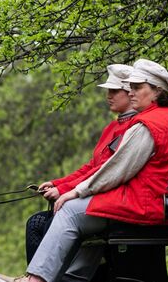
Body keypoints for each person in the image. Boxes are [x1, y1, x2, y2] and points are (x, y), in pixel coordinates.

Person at [0, 58, 168, 282]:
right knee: (82, 212)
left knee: (72, 211)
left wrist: (74, 192)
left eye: (138, 88)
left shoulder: (148, 125)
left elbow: (116, 170)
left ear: (157, 91)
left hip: (146, 208)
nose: (132, 92)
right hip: (166, 211)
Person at [36, 63, 138, 203]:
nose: (108, 96)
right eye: (108, 91)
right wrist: (57, 183)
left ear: (130, 92)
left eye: (114, 91)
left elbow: (102, 170)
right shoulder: (112, 126)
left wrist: (63, 189)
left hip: (111, 198)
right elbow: (92, 166)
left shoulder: (134, 128)